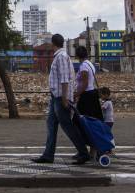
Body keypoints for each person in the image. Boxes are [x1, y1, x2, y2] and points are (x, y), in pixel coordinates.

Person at [32, 34, 91, 165]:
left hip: (60, 97)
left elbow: (64, 79)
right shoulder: (59, 57)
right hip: (56, 97)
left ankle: (83, 152)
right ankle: (48, 155)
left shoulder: (62, 57)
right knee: (51, 125)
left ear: (53, 44)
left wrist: (64, 98)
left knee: (67, 126)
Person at [74, 45, 103, 120]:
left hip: (86, 96)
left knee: (81, 121)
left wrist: (76, 94)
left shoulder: (83, 66)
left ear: (77, 56)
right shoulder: (90, 64)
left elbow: (85, 84)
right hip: (92, 94)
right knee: (92, 120)